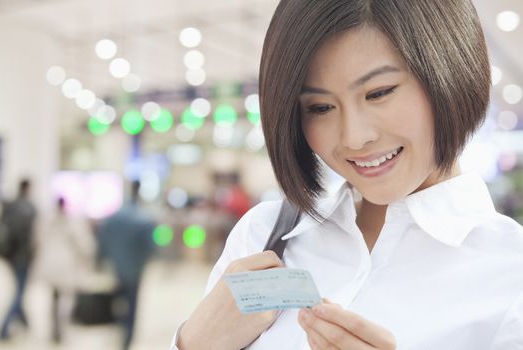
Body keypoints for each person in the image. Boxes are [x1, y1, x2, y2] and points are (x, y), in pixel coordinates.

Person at [172, 1, 523, 349]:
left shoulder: (510, 277)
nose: (354, 137)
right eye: (320, 108)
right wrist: (195, 342)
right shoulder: (263, 236)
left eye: (379, 93)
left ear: (450, 71)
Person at [97, 180, 156, 350]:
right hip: (135, 268)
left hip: (117, 267)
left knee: (117, 300)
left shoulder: (114, 218)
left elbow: (103, 241)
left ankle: (119, 329)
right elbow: (150, 248)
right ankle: (128, 337)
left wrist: (101, 260)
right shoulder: (143, 219)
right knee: (132, 303)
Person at [34, 196, 95, 343]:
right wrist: (88, 256)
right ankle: (59, 327)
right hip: (64, 263)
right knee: (64, 298)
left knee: (54, 297)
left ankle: (55, 327)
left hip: (49, 262)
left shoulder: (46, 220)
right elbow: (82, 242)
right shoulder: (71, 222)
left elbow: (37, 240)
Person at [0, 179, 37, 341]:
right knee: (19, 293)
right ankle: (5, 328)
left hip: (10, 256)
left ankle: (25, 321)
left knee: (20, 290)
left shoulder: (11, 206)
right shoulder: (28, 209)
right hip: (21, 257)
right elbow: (30, 238)